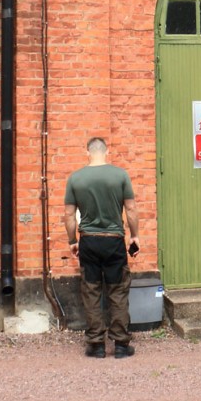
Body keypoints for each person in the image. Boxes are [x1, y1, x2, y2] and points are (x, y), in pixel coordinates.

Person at [64, 137, 140, 358]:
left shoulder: (75, 178)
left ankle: (96, 345)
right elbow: (131, 209)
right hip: (114, 239)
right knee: (117, 291)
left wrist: (72, 241)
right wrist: (134, 236)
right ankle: (121, 346)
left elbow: (69, 215)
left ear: (87, 152)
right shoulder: (120, 175)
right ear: (107, 151)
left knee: (91, 290)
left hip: (89, 240)